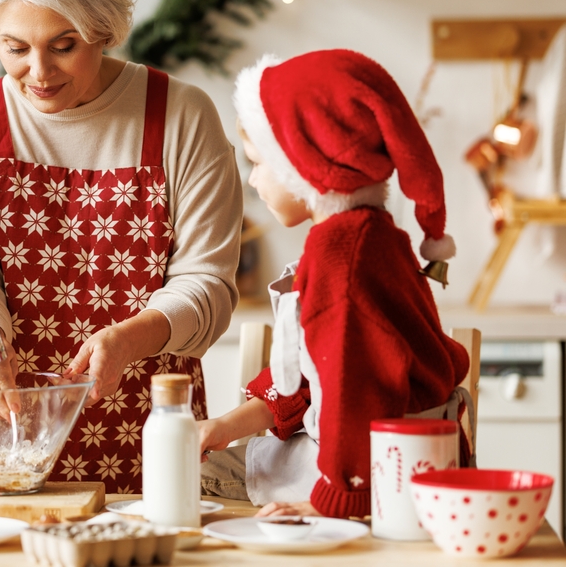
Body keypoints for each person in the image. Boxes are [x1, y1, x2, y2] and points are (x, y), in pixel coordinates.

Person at [0, 0, 243, 493]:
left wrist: (129, 338)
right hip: (4, 425)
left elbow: (210, 285)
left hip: (151, 427)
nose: (38, 74)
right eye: (15, 49)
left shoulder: (180, 117)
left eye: (63, 46)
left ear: (103, 30)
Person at [198, 49, 472, 519]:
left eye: (259, 162)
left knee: (196, 476)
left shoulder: (341, 259)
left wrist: (328, 506)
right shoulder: (371, 234)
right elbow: (316, 371)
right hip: (391, 460)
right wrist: (229, 423)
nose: (254, 179)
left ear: (303, 164)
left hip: (381, 477)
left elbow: (354, 395)